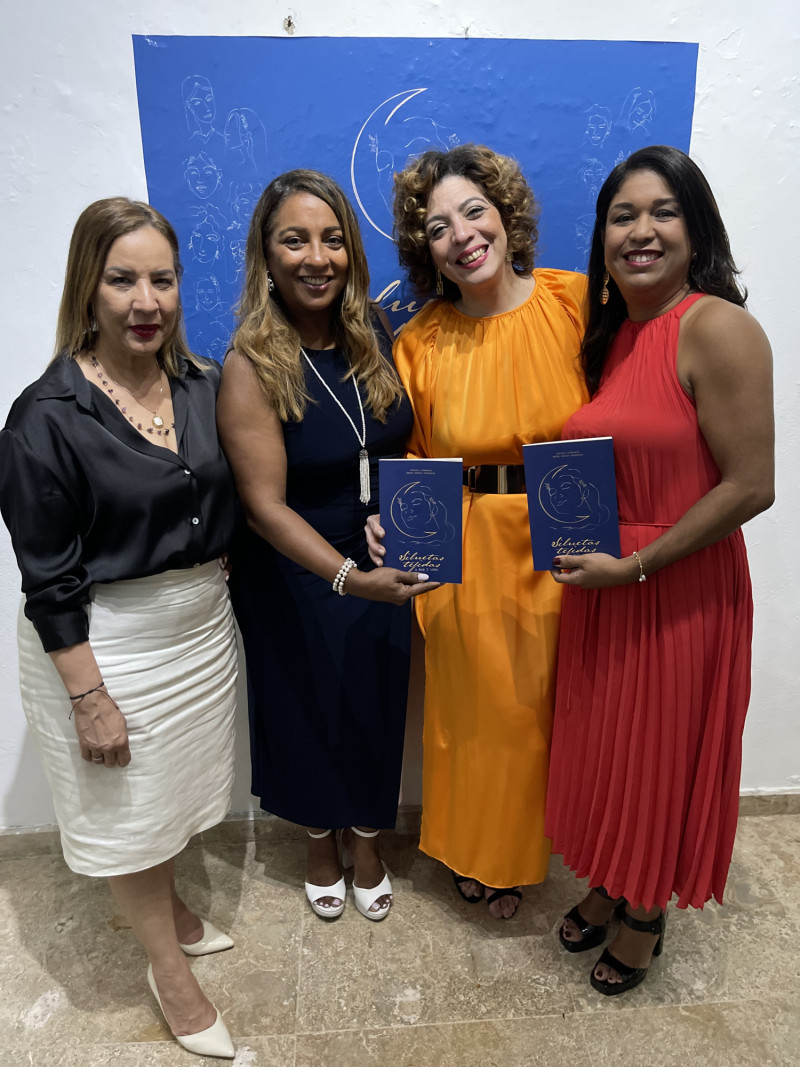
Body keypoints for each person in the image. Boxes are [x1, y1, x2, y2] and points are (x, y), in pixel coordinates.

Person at [0, 199, 239, 1056]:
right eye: (123, 279)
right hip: (108, 646)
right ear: (87, 287)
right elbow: (48, 576)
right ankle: (169, 976)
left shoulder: (204, 384)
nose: (147, 300)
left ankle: (171, 907)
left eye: (163, 280)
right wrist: (88, 696)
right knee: (127, 813)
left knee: (168, 800)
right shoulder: (45, 417)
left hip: (198, 635)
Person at [545, 145, 774, 995]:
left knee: (661, 752)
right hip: (609, 584)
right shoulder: (616, 337)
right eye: (622, 215)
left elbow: (753, 485)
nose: (640, 231)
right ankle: (610, 877)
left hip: (674, 584)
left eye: (662, 212)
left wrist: (636, 564)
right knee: (613, 748)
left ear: (696, 228)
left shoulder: (717, 326)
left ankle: (646, 908)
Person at [368, 144, 589, 917]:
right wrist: (388, 528)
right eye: (436, 227)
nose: (461, 234)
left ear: (504, 214)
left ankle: (544, 847)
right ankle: (477, 851)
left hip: (568, 543)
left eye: (472, 211)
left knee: (549, 713)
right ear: (423, 250)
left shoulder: (575, 302)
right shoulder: (420, 340)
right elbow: (416, 456)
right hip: (464, 547)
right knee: (474, 715)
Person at [216, 170, 433, 924]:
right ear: (266, 256)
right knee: (305, 707)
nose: (317, 256)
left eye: (333, 238)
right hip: (294, 569)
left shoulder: (375, 331)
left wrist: (392, 526)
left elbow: (399, 447)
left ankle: (367, 840)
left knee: (374, 704)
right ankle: (318, 840)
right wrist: (347, 575)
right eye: (295, 239)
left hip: (380, 553)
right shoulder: (251, 363)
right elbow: (265, 506)